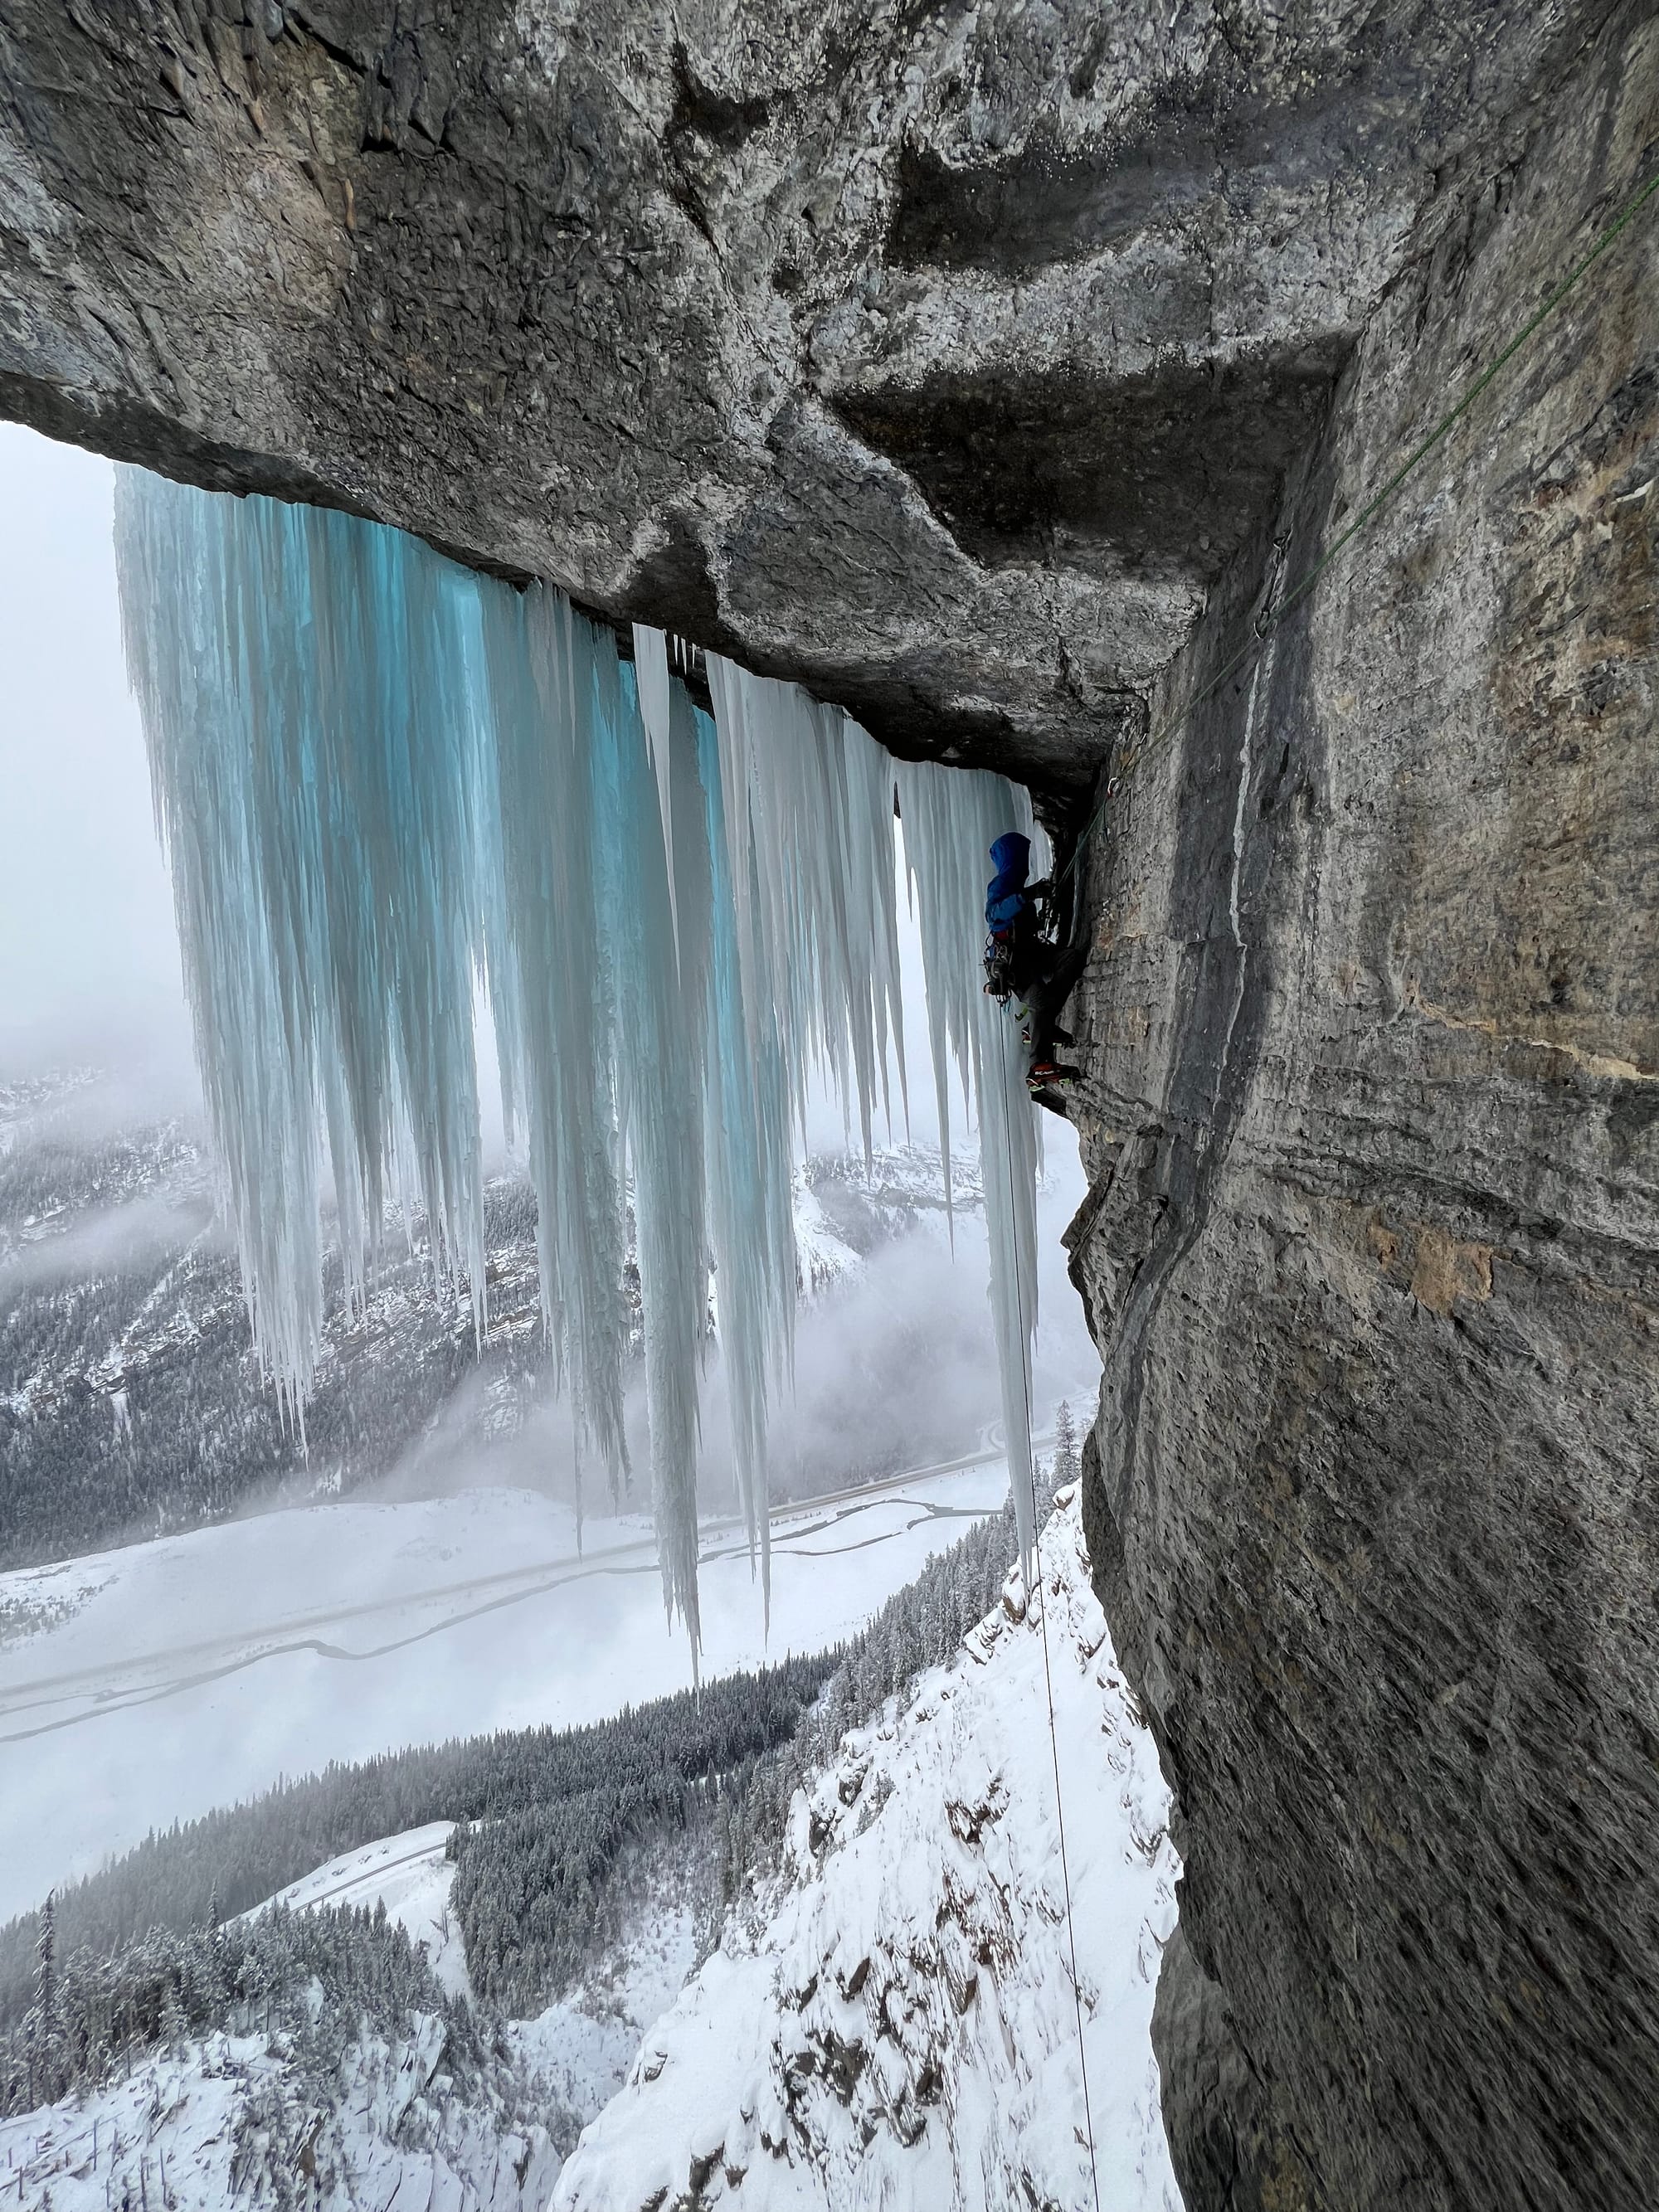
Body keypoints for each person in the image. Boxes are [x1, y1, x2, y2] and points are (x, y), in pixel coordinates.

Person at [983, 833, 1087, 1098]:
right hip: (1015, 965)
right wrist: (1029, 895)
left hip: (1034, 955)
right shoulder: (1000, 886)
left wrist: (1039, 896)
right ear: (1013, 860)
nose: (1025, 866)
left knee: (1071, 959)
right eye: (1022, 859)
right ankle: (1039, 1063)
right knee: (1040, 1000)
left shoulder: (1014, 887)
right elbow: (995, 915)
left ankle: (1039, 1029)